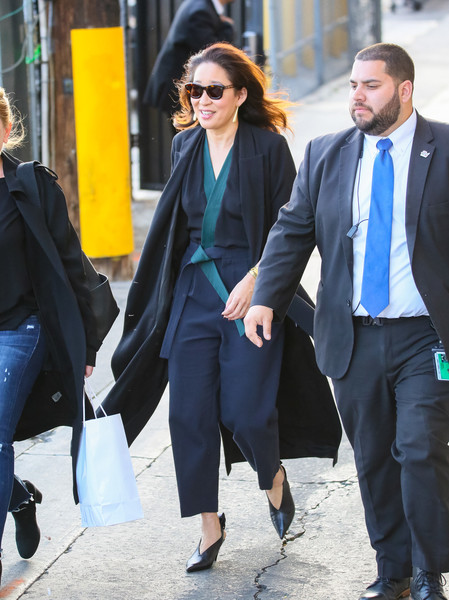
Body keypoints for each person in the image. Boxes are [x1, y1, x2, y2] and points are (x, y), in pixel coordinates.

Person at [103, 42, 341, 573]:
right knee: (188, 415)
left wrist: (258, 281)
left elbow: (291, 228)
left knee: (246, 413)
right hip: (192, 291)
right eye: (195, 90)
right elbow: (176, 227)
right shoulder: (184, 145)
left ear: (240, 95)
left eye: (214, 90)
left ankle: (272, 476)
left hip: (253, 293)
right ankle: (209, 527)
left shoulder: (268, 149)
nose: (202, 100)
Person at [245, 42, 449, 600]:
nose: (357, 96)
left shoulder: (444, 149)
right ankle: (393, 572)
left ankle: (430, 572)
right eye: (354, 85)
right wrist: (266, 297)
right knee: (375, 459)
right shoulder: (326, 154)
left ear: (404, 90)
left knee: (420, 447)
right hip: (353, 336)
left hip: (427, 336)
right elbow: (292, 230)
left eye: (371, 86)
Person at [0, 88, 101, 586]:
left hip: (20, 328)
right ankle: (19, 497)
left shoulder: (31, 185)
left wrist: (86, 343)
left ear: (5, 130)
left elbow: (69, 262)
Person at [143, 0, 235, 115]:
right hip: (178, 86)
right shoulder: (200, 11)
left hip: (182, 85)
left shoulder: (201, 6)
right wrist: (227, 27)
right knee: (187, 125)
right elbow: (214, 53)